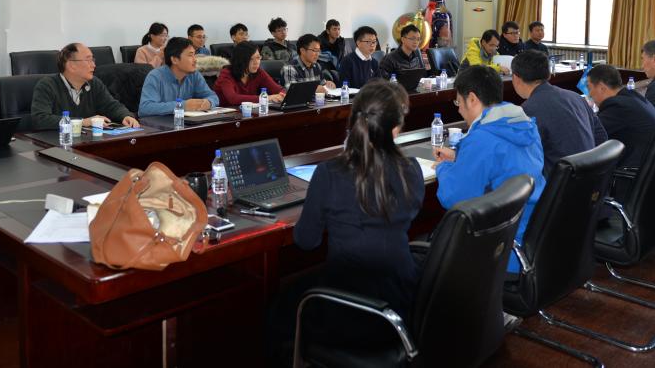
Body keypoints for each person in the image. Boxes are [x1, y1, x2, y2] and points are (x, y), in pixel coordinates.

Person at [293, 80, 425, 335]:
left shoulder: (329, 173)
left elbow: (306, 241)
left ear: (353, 121)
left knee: (278, 310)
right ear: (395, 129)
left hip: (345, 312)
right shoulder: (411, 169)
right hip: (402, 305)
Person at [432, 65, 545, 273]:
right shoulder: (525, 125)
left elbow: (454, 198)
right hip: (531, 235)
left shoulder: (482, 139)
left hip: (499, 247)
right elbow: (504, 162)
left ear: (472, 99)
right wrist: (460, 156)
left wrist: (443, 167)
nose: (459, 109)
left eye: (458, 102)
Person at [511, 50, 607, 175]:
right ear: (549, 75)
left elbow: (523, 159)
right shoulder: (575, 97)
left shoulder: (527, 110)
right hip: (590, 177)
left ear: (516, 78)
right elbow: (601, 137)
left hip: (558, 183)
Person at [31, 43, 139, 130]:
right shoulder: (47, 85)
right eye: (88, 60)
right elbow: (40, 119)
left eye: (93, 60)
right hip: (57, 143)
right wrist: (82, 122)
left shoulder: (94, 83)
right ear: (71, 65)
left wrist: (125, 116)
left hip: (86, 141)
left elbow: (111, 105)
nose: (94, 65)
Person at [586, 64, 655, 171]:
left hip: (635, 172)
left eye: (589, 88)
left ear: (601, 87)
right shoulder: (632, 97)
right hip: (654, 167)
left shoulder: (616, 106)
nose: (589, 94)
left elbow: (590, 134)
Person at [138, 37, 220, 115]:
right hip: (162, 123)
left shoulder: (194, 75)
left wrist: (209, 102)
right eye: (190, 55)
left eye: (194, 55)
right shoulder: (155, 76)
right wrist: (182, 105)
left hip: (188, 122)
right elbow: (145, 108)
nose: (195, 60)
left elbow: (213, 96)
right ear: (174, 59)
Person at [213, 41, 285, 105]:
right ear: (240, 60)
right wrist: (266, 98)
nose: (256, 62)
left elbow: (279, 90)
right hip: (226, 113)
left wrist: (282, 95)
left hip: (248, 112)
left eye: (258, 57)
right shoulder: (226, 74)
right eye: (251, 59)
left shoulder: (258, 72)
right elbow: (233, 98)